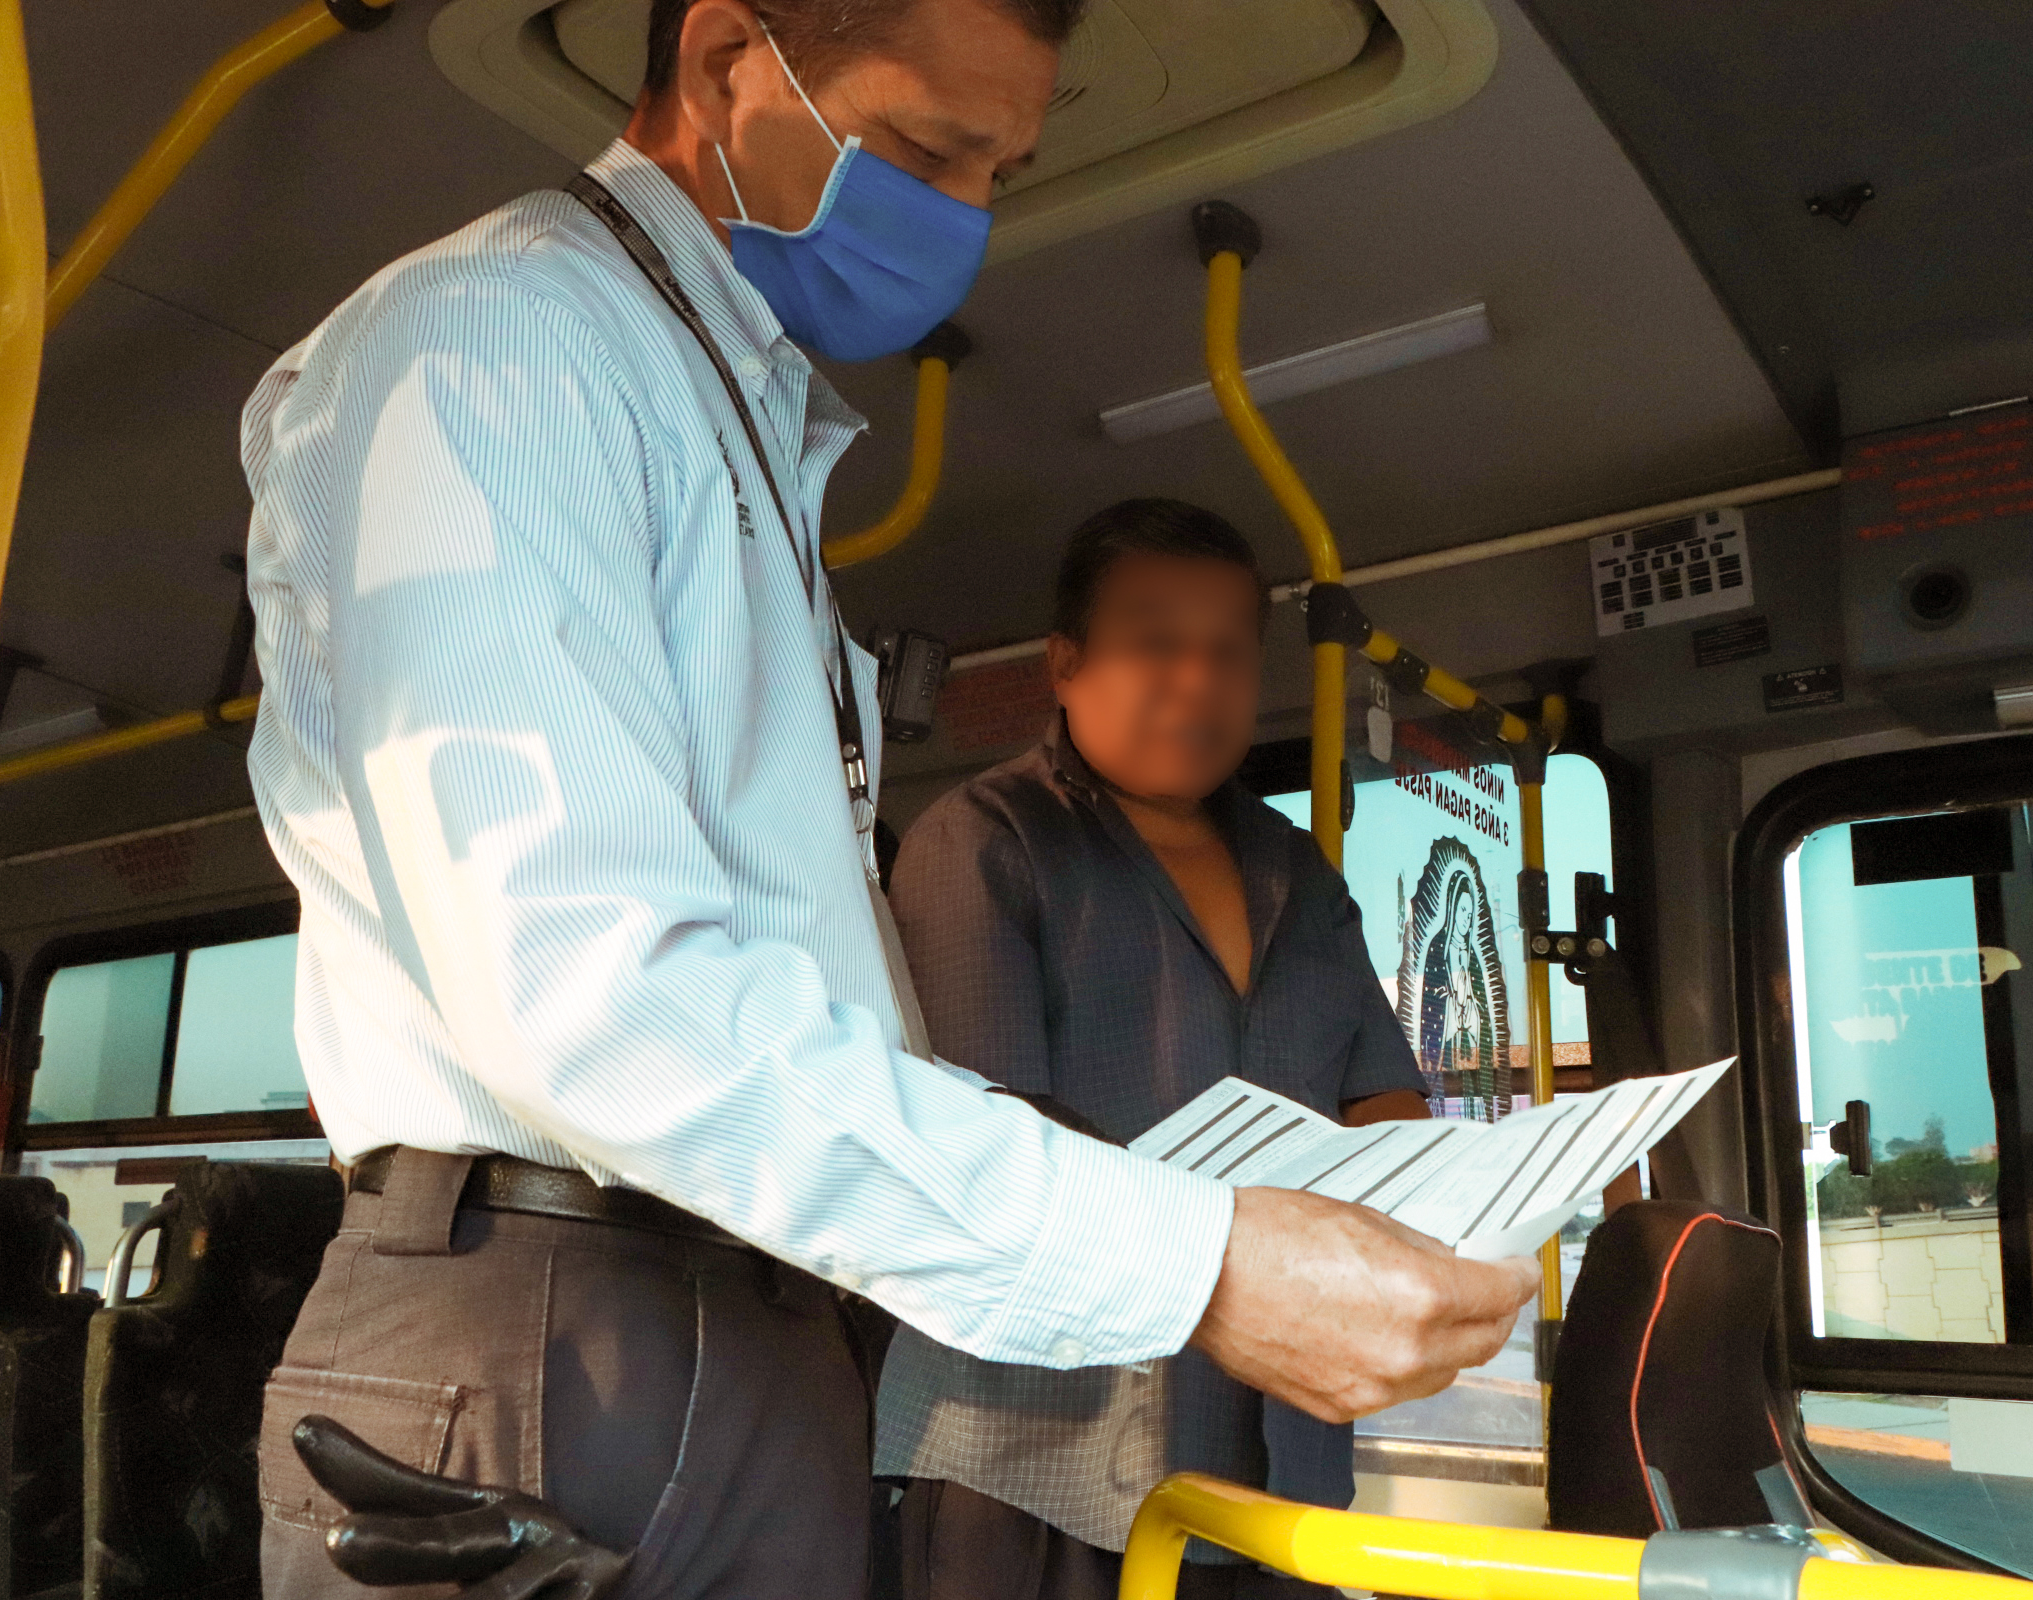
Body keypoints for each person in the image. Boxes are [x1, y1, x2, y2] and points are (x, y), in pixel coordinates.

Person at [239, 0, 1537, 1591]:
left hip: (763, 1293)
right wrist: (1198, 1259)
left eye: (1001, 171)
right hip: (554, 1304)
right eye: (930, 151)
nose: (969, 219)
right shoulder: (500, 342)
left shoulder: (729, 410)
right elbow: (586, 992)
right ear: (728, 62)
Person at [877, 500, 1434, 1600]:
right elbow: (993, 1151)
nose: (1196, 679)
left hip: (1283, 1467)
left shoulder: (1300, 871)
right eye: (1156, 643)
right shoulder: (982, 843)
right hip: (1040, 1463)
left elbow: (1385, 1103)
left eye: (1229, 651)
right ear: (1067, 663)